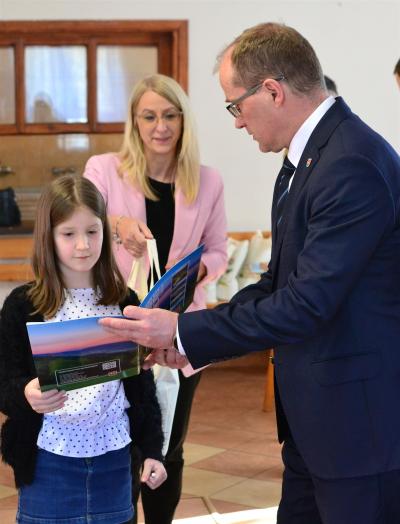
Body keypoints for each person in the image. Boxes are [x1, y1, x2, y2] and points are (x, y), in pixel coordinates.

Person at [99, 22, 400, 524]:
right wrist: (187, 339)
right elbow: (277, 284)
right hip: (316, 421)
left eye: (235, 106)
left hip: (355, 427)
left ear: (273, 91)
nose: (237, 123)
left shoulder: (350, 163)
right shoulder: (311, 159)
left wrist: (182, 331)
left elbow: (305, 304)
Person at [83, 73, 227, 524]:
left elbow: (219, 252)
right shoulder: (103, 169)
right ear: (134, 121)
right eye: (149, 116)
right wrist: (118, 225)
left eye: (170, 115)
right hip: (117, 327)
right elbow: (82, 219)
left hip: (178, 333)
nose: (160, 127)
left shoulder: (207, 181)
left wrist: (192, 273)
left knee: (168, 447)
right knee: (119, 443)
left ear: (183, 121)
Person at [0, 175, 167, 524]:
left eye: (92, 231)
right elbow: (4, 380)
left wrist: (153, 449)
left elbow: (141, 389)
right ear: (48, 237)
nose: (83, 245)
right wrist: (26, 393)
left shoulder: (124, 301)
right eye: (68, 234)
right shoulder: (22, 305)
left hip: (114, 462)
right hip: (48, 464)